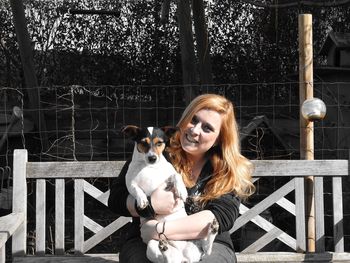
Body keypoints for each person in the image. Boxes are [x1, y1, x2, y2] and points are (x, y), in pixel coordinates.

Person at [108, 93, 255, 262]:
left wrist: (159, 229)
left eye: (207, 128)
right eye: (193, 120)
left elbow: (221, 216)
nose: (194, 130)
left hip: (205, 242)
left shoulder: (225, 169)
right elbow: (116, 198)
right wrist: (150, 204)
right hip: (145, 241)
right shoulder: (155, 150)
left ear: (218, 139)